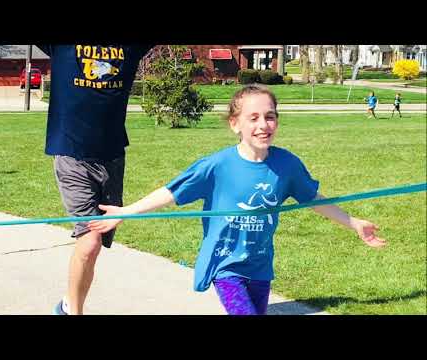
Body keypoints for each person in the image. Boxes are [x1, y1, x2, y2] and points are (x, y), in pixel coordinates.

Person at [87, 85, 387, 315]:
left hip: (260, 265)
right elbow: (171, 192)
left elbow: (313, 199)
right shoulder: (217, 166)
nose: (263, 125)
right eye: (253, 117)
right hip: (225, 264)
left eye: (269, 117)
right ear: (235, 124)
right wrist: (127, 211)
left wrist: (353, 223)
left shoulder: (287, 165)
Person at [36, 44, 154, 315]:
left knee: (94, 246)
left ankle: (69, 303)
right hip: (71, 154)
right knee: (89, 242)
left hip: (112, 157)